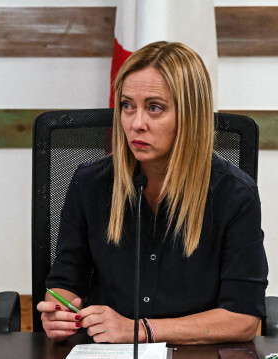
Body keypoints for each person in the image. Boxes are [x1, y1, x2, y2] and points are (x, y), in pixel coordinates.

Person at [38, 41, 268, 345]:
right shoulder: (89, 183)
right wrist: (58, 312)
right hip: (108, 353)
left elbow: (242, 319)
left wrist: (140, 330)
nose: (136, 124)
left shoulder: (234, 194)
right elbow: (66, 283)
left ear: (189, 115)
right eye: (127, 106)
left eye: (154, 108)